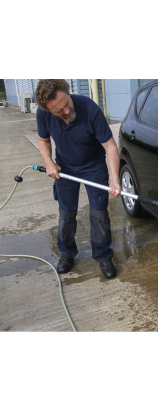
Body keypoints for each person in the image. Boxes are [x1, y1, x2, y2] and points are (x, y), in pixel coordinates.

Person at [35, 78, 122, 279]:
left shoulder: (89, 108)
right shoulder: (43, 113)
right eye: (58, 111)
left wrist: (115, 179)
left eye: (66, 104)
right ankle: (66, 254)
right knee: (66, 214)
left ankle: (103, 256)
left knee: (99, 215)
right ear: (48, 110)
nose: (65, 111)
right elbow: (43, 139)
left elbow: (110, 146)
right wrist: (49, 162)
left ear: (69, 92)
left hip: (94, 166)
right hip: (64, 168)